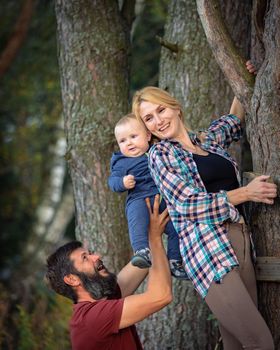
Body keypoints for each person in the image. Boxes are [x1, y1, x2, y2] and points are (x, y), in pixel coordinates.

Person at [132, 82, 276, 349]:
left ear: (175, 107)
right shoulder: (161, 154)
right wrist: (246, 193)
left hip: (241, 238)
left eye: (161, 110)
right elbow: (187, 204)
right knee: (259, 341)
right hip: (208, 250)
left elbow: (232, 120)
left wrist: (243, 75)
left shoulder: (205, 140)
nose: (158, 121)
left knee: (235, 342)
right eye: (148, 118)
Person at [46, 195, 172, 350]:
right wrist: (154, 239)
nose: (96, 256)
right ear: (72, 279)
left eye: (91, 252)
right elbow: (161, 296)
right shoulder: (91, 320)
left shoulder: (104, 299)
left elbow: (143, 263)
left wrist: (146, 227)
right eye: (85, 258)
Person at [108, 113, 188, 279]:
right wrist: (122, 182)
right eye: (122, 141)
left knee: (177, 228)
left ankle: (175, 260)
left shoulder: (157, 151)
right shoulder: (122, 161)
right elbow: (112, 182)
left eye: (133, 136)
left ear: (148, 135)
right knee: (137, 222)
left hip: (163, 200)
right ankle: (141, 251)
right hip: (139, 199)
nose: (128, 142)